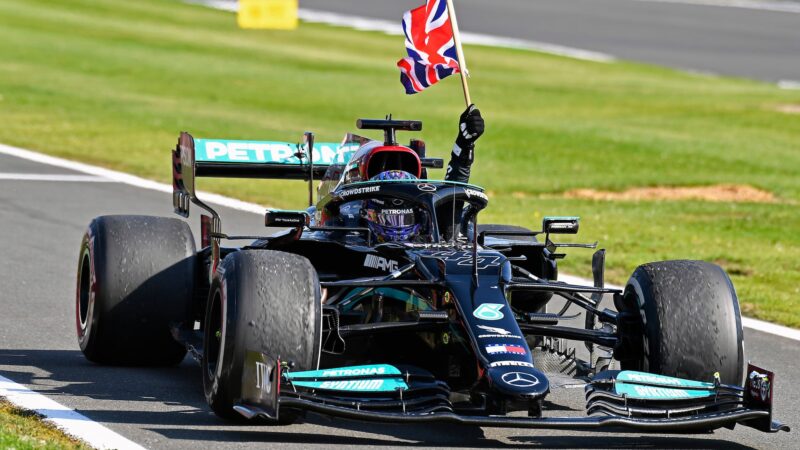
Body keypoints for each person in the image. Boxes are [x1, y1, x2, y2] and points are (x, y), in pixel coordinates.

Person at [363, 105, 485, 242]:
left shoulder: (431, 231)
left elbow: (454, 201)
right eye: (387, 219)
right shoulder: (351, 238)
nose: (397, 228)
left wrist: (465, 144)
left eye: (405, 219)